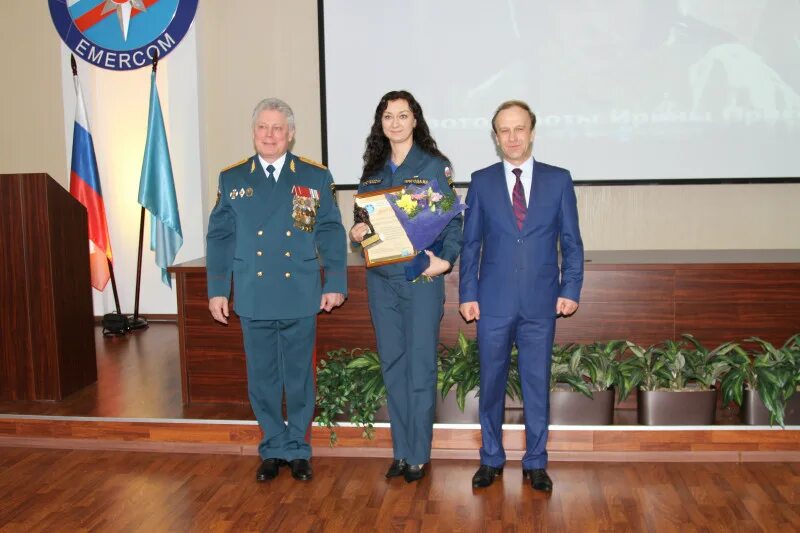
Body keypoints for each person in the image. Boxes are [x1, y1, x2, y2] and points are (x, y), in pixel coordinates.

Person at [206, 98, 347, 483]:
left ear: (291, 134)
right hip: (253, 291)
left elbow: (331, 230)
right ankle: (272, 445)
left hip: (298, 290)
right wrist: (218, 288)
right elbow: (220, 237)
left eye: (277, 128)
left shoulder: (314, 176)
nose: (269, 135)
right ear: (253, 133)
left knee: (299, 375)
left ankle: (298, 449)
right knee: (262, 377)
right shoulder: (232, 179)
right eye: (262, 128)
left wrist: (334, 280)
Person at [459, 100, 584, 492]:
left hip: (541, 303)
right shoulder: (480, 181)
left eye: (519, 128)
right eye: (504, 130)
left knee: (535, 383)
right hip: (492, 301)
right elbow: (471, 244)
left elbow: (571, 242)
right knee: (491, 383)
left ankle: (536, 462)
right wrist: (467, 293)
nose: (512, 137)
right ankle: (491, 458)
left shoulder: (559, 179)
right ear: (495, 137)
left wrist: (571, 288)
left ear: (532, 131)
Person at [350, 90, 462, 483]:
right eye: (388, 116)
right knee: (393, 367)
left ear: (416, 120)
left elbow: (452, 222)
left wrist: (445, 260)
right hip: (382, 282)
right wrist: (358, 231)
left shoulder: (434, 167)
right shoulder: (372, 172)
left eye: (403, 115)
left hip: (420, 279)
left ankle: (418, 453)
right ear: (380, 123)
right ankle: (400, 452)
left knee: (419, 366)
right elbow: (361, 224)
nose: (395, 123)